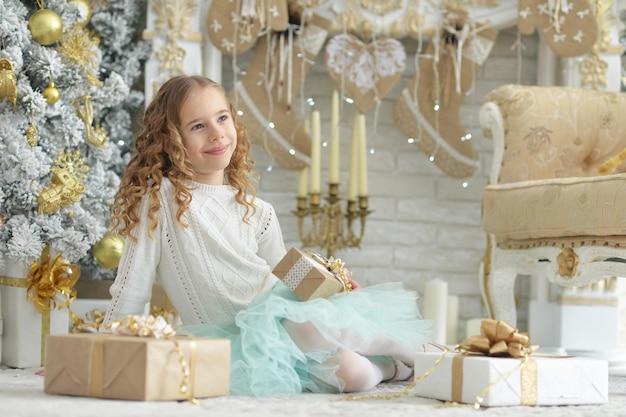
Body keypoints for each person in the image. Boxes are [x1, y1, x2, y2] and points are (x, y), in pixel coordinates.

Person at [103, 74, 434, 396]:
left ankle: (417, 351)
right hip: (234, 343)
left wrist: (335, 293)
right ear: (169, 139)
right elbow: (132, 286)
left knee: (314, 325)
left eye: (222, 118)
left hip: (283, 318)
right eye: (198, 126)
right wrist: (100, 353)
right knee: (354, 374)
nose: (217, 135)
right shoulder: (159, 200)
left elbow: (284, 272)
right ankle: (395, 368)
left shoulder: (257, 210)